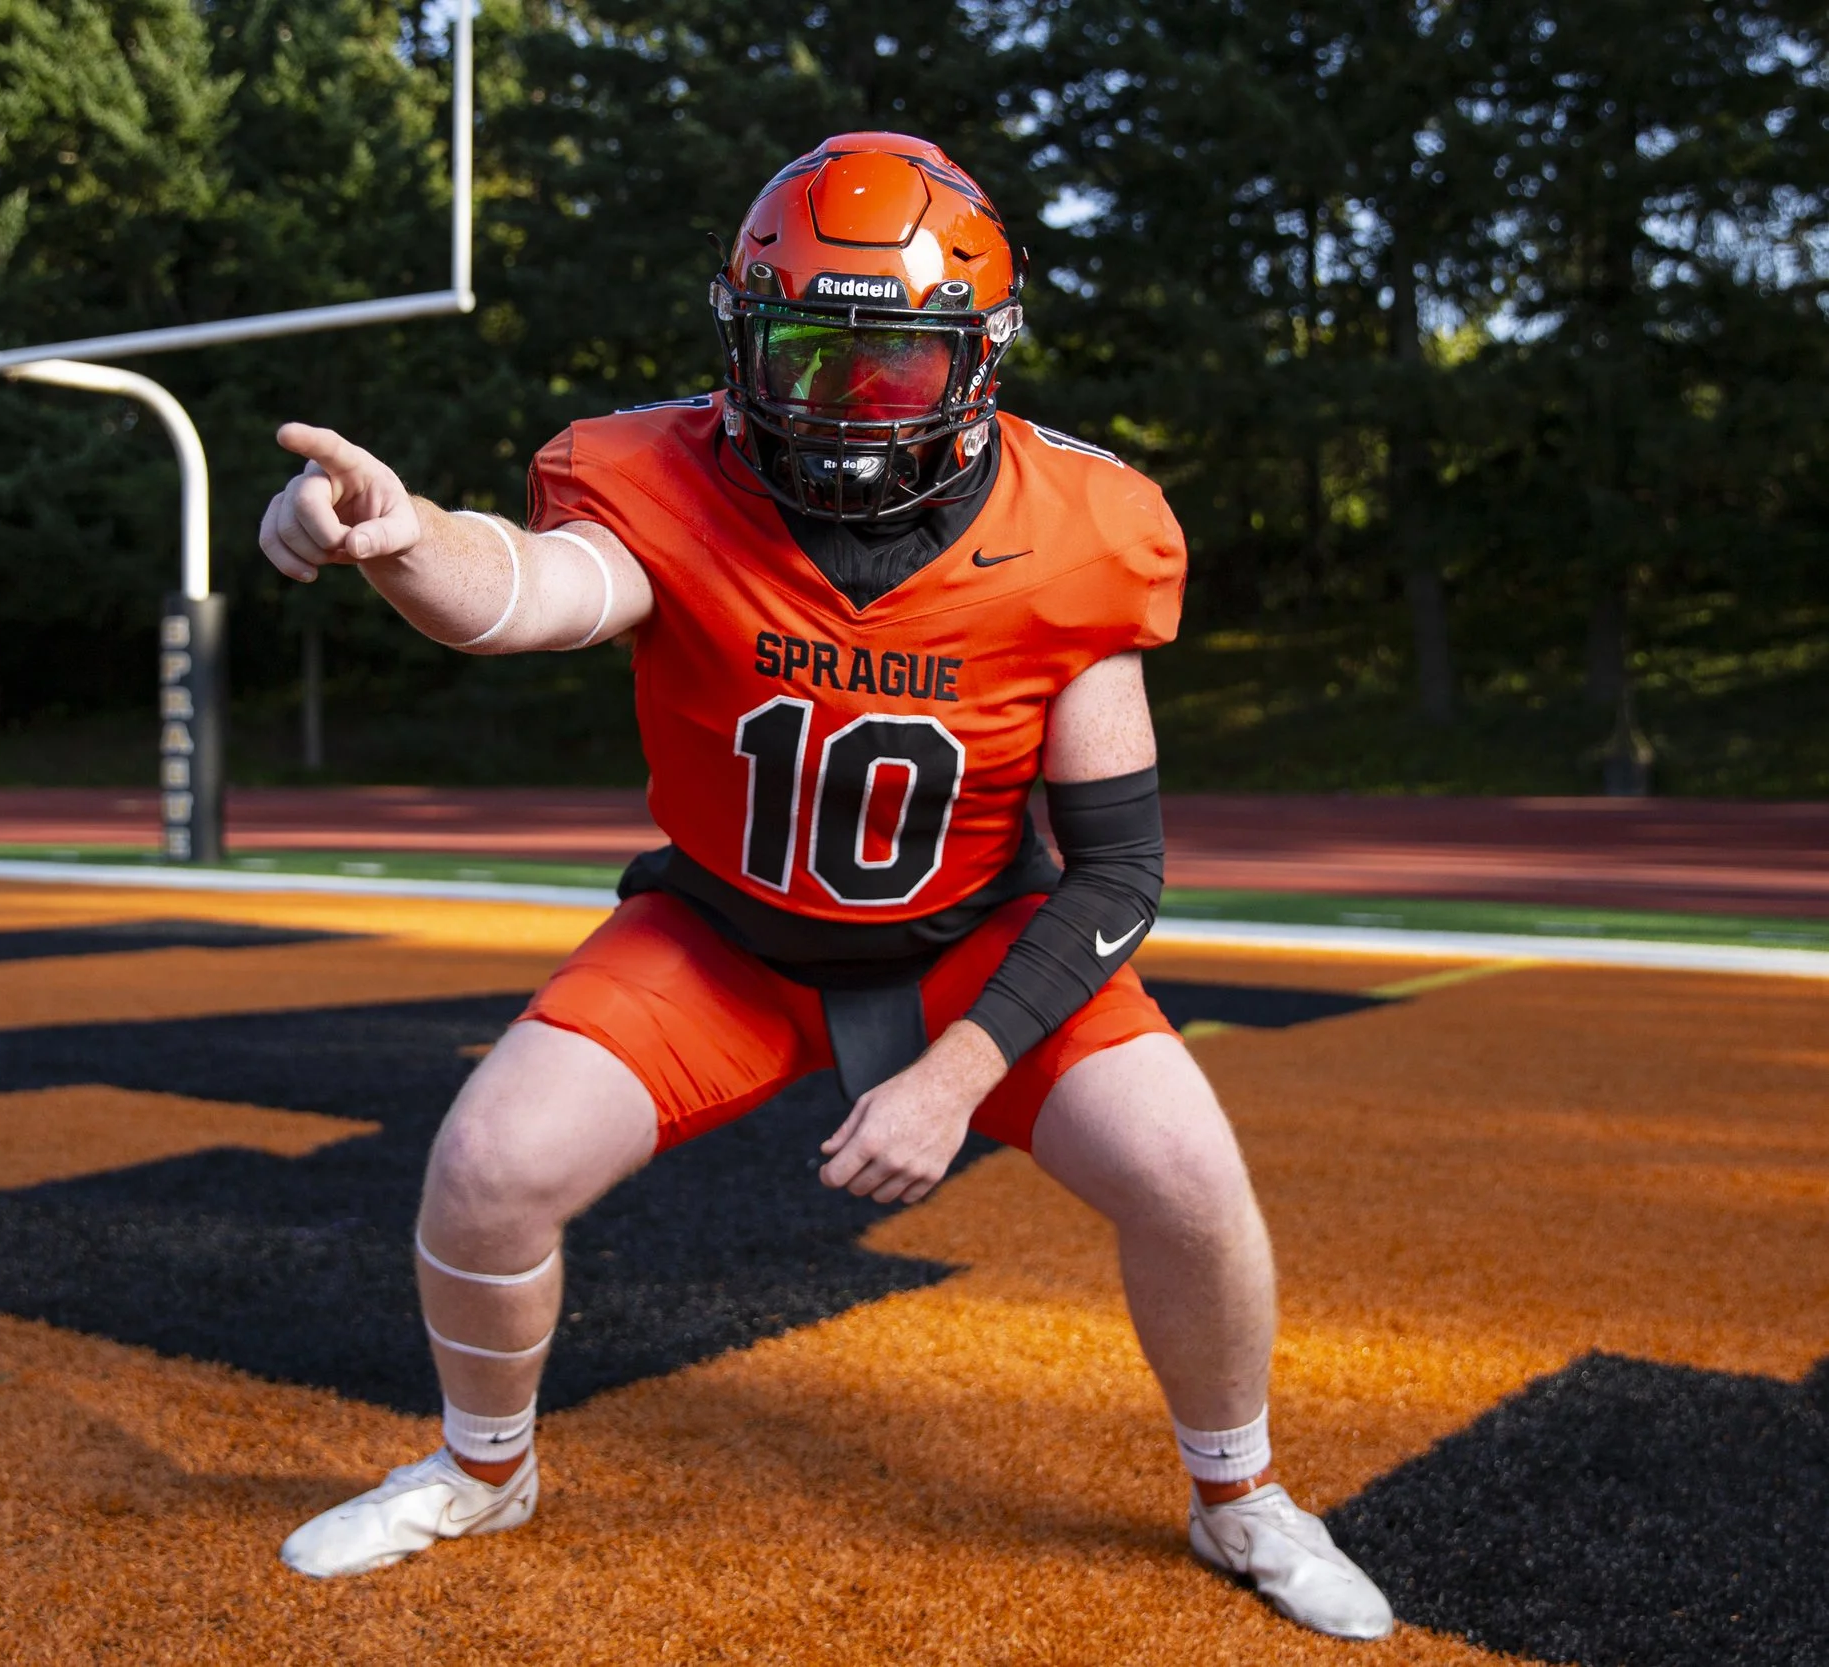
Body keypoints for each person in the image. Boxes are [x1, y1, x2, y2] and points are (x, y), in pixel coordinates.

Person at [254, 132, 1392, 1642]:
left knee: (1188, 1175)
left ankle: (1240, 1493)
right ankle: (483, 1468)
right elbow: (532, 592)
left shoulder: (1079, 531)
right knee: (487, 1165)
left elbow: (1119, 864)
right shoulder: (662, 474)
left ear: (977, 363)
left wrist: (957, 1073)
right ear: (740, 335)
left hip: (971, 951)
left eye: (890, 367)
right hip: (723, 938)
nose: (838, 403)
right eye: (801, 348)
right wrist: (403, 547)